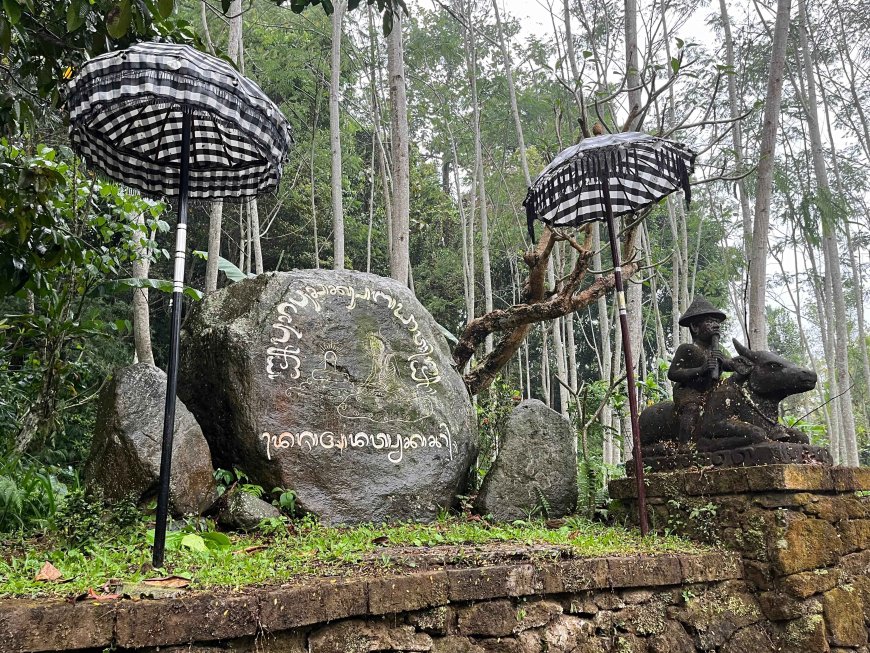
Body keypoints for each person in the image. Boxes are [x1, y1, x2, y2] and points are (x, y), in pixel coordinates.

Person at [667, 296, 734, 444]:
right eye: (710, 322)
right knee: (692, 408)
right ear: (695, 327)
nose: (716, 325)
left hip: (712, 390)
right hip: (690, 391)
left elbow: (729, 365)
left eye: (716, 322)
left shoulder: (716, 350)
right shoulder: (688, 349)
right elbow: (673, 373)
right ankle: (685, 445)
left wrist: (729, 363)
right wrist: (701, 370)